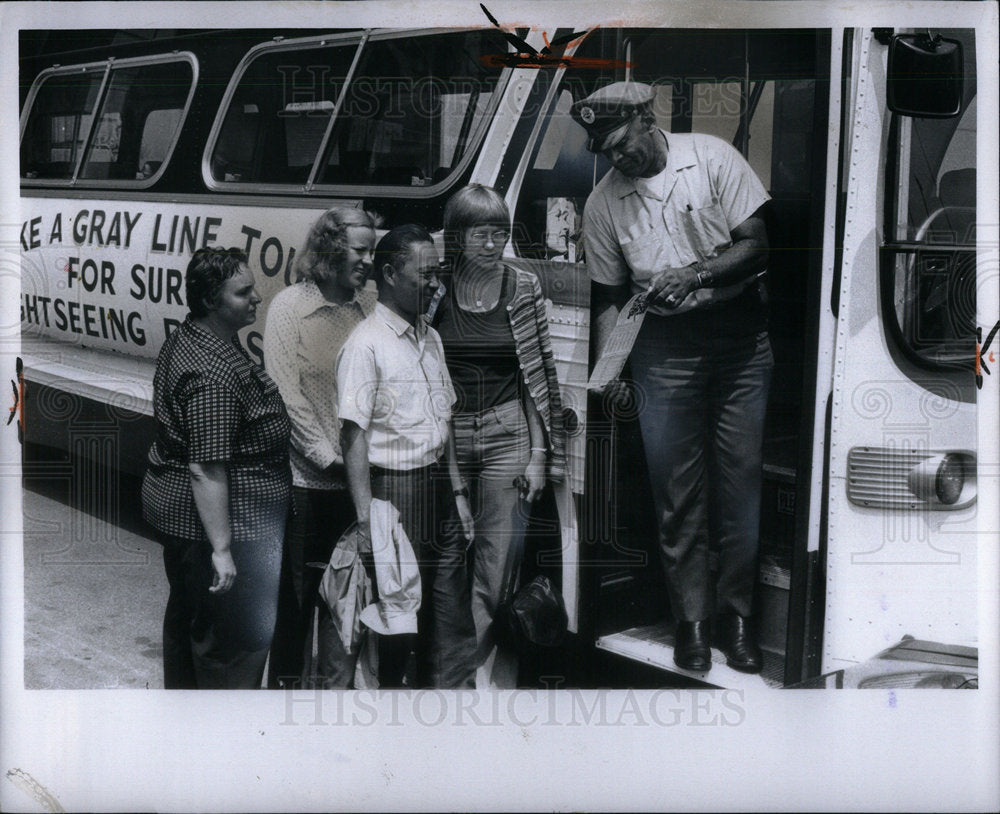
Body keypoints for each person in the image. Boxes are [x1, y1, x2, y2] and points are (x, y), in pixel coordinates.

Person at [571, 82, 773, 674]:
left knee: (740, 485)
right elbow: (609, 297)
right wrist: (613, 369)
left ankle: (737, 619)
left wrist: (696, 274)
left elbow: (758, 248)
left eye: (621, 143)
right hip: (661, 349)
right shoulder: (603, 204)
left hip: (740, 342)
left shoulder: (712, 159)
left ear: (645, 117)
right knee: (676, 496)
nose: (617, 159)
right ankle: (692, 623)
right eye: (605, 151)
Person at [434, 184, 567, 689]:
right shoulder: (434, 286)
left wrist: (538, 454)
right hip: (445, 438)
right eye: (481, 234)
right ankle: (446, 674)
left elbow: (538, 372)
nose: (493, 245)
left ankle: (477, 683)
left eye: (501, 234)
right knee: (444, 568)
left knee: (495, 570)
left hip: (507, 433)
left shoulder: (524, 286)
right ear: (457, 237)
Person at [141, 247, 291, 689]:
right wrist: (222, 551)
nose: (257, 298)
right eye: (243, 292)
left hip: (195, 523)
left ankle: (187, 735)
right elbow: (206, 469)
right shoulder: (212, 376)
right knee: (230, 645)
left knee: (193, 628)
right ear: (211, 301)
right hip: (223, 529)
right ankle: (222, 742)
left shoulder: (194, 337)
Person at [335, 224, 477, 688]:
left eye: (438, 274)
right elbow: (352, 436)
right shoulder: (365, 344)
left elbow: (446, 417)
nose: (435, 284)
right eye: (426, 275)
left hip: (438, 487)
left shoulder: (429, 339)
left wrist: (456, 490)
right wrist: (365, 522)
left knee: (450, 615)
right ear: (391, 274)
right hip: (394, 492)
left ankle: (450, 714)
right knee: (399, 620)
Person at [263, 206, 378, 689]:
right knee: (295, 602)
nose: (369, 260)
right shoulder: (290, 308)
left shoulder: (368, 309)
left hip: (355, 485)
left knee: (346, 603)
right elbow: (286, 395)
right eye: (360, 249)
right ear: (331, 249)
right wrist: (329, 459)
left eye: (373, 250)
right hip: (306, 485)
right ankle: (285, 700)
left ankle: (334, 702)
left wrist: (358, 472)